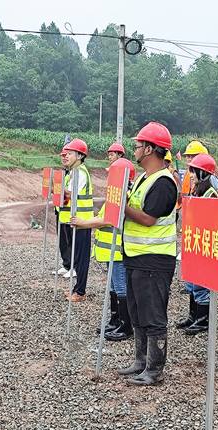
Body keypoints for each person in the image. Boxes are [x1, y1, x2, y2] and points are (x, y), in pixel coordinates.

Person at [118, 122, 178, 386]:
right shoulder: (144, 178)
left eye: (138, 145)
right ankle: (140, 360)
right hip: (136, 256)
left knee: (153, 314)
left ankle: (154, 368)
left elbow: (148, 219)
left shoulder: (164, 183)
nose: (135, 149)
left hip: (154, 259)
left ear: (150, 149)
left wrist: (121, 207)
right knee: (137, 311)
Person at [72, 158, 136, 342]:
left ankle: (125, 325)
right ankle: (116, 319)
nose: (109, 177)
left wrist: (85, 223)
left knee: (121, 287)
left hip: (117, 251)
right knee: (114, 287)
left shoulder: (125, 195)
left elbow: (108, 219)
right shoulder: (116, 194)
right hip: (110, 251)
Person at [176, 153, 218, 336]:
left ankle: (203, 319)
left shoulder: (211, 194)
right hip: (195, 243)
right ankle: (193, 315)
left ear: (204, 174)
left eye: (194, 171)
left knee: (201, 284)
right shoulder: (199, 191)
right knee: (193, 283)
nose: (191, 175)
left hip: (204, 245)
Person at [58, 138, 94, 302]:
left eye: (70, 154)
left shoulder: (80, 172)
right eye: (65, 154)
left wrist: (57, 188)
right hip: (75, 221)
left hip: (82, 221)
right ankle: (77, 289)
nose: (65, 156)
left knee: (81, 257)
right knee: (77, 256)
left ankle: (80, 291)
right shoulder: (72, 172)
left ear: (80, 156)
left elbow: (70, 193)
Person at [54, 148, 72, 277]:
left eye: (67, 155)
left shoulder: (74, 173)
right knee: (62, 240)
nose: (64, 158)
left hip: (71, 212)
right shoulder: (63, 173)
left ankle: (73, 266)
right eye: (63, 156)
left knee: (71, 241)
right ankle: (66, 264)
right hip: (60, 211)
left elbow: (70, 193)